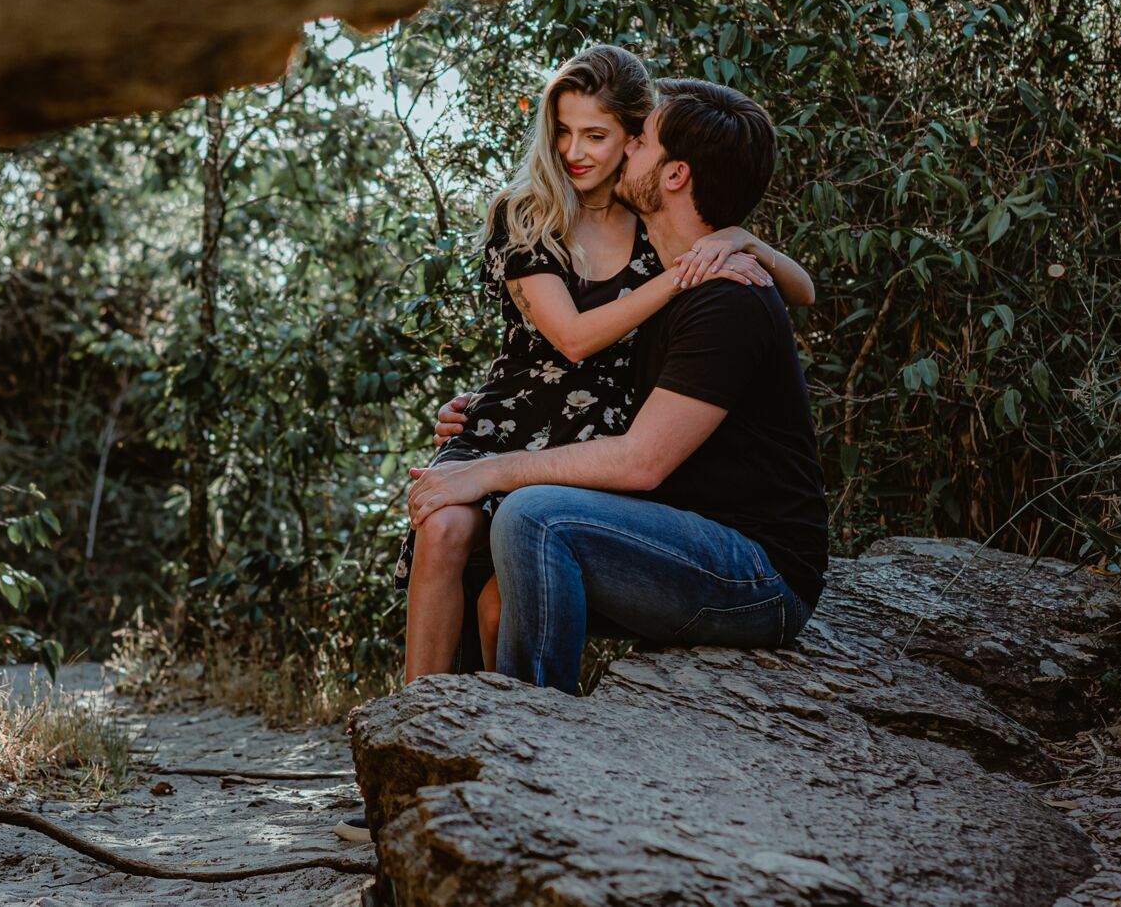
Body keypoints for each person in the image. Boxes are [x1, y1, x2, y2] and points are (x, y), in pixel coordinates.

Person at [335, 55, 813, 844]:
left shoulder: (687, 253)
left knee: (514, 568)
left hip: (602, 441)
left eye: (607, 136)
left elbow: (794, 292)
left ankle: (514, 767)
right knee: (452, 529)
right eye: (563, 132)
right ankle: (409, 762)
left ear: (644, 152)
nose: (581, 151)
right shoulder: (535, 216)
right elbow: (568, 338)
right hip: (518, 425)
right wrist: (480, 435)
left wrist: (739, 243)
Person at [407, 78, 829, 693]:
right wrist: (480, 410)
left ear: (675, 175)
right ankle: (452, 737)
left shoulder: (725, 299)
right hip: (677, 531)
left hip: (756, 573)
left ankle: (539, 741)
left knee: (533, 518)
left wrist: (489, 470)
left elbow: (641, 461)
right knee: (497, 594)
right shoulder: (673, 276)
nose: (625, 149)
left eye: (640, 142)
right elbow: (574, 356)